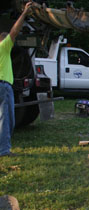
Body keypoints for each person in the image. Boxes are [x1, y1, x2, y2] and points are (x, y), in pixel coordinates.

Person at [0, 2, 32, 157]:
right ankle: (4, 151)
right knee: (6, 120)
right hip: (3, 86)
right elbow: (14, 31)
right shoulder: (3, 47)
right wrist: (25, 13)